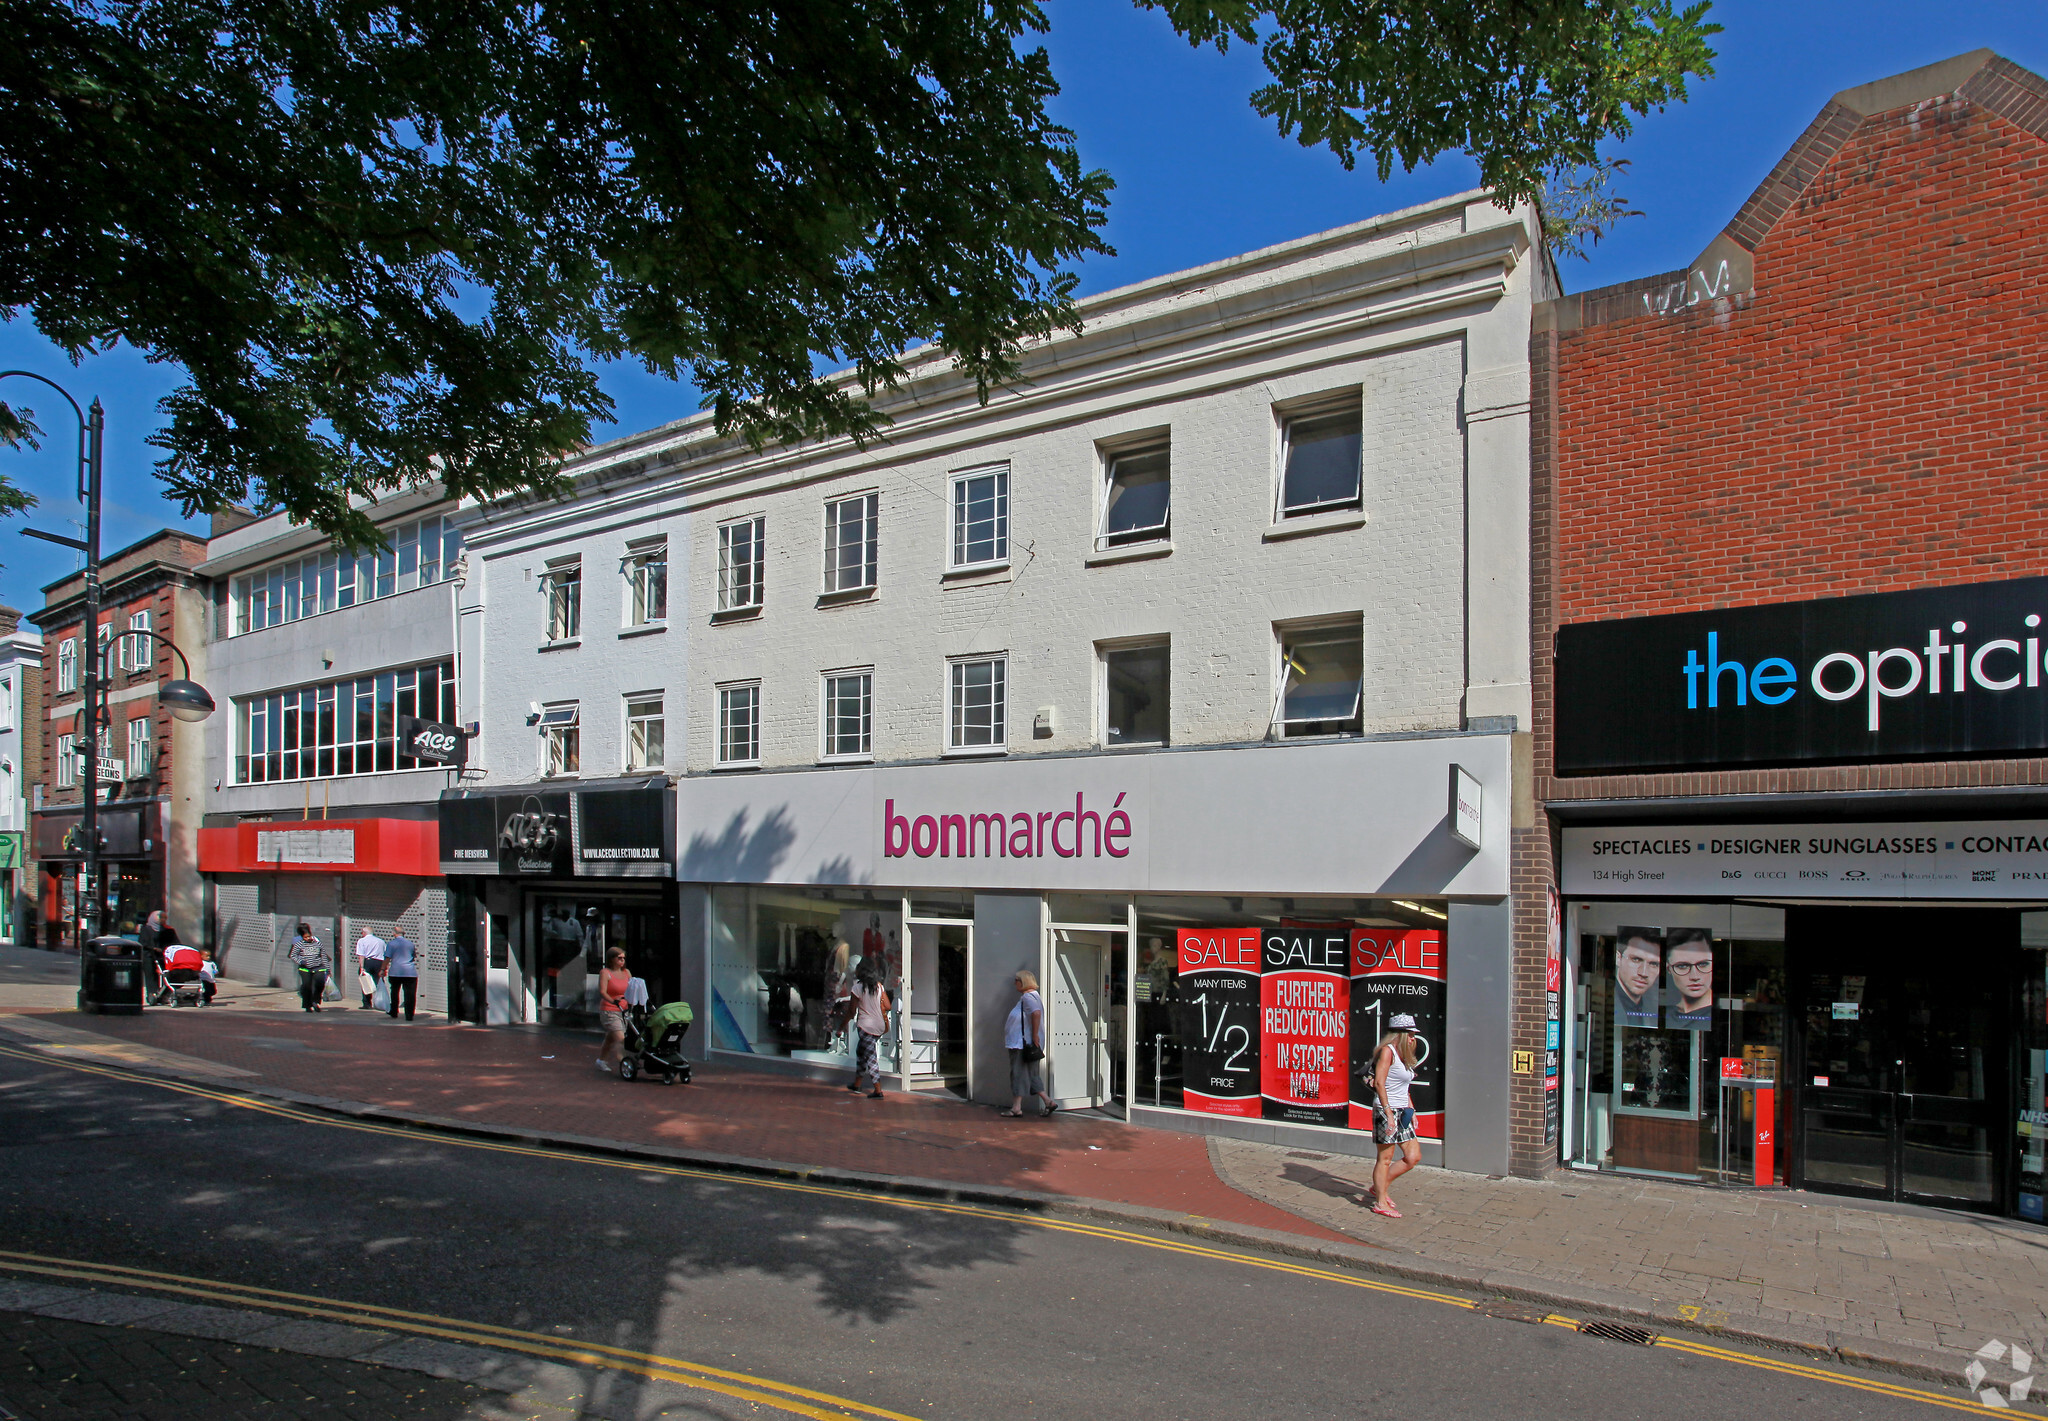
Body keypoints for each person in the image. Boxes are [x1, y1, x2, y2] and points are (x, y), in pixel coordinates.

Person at [1365, 1014, 1423, 1218]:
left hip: (1402, 1111)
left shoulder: (1403, 1055)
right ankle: (1380, 1201)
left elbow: (1404, 1088)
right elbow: (1380, 1083)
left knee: (1413, 1156)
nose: (1413, 1038)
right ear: (1399, 1035)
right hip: (1385, 1109)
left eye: (1414, 1034)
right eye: (1410, 1034)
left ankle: (1380, 1187)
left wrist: (1412, 1109)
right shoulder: (1387, 1052)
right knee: (1385, 1158)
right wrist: (1388, 1113)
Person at [1002, 969, 1058, 1118]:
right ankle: (1047, 1101)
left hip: (1022, 1044)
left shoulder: (1028, 997)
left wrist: (1034, 1035)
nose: (1014, 983)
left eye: (1016, 980)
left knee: (1018, 1073)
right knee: (1032, 1074)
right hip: (1027, 1044)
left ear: (1023, 982)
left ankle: (1016, 1107)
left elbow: (1036, 1013)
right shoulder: (1033, 997)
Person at [841, 955, 890, 1098]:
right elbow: (888, 1005)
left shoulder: (857, 988)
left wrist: (841, 1027)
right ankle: (857, 1084)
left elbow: (851, 1011)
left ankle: (878, 1090)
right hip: (879, 1025)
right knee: (861, 1052)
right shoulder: (879, 986)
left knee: (871, 1057)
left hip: (866, 1026)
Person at [1665, 929, 1714, 1028]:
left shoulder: (1717, 1014)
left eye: (1703, 964)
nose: (1694, 977)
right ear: (1669, 969)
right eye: (1682, 966)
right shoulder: (1667, 1013)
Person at [1613, 929, 1662, 1027]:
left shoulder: (1649, 1008)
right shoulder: (1611, 1002)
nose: (1643, 973)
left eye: (1653, 964)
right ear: (1618, 958)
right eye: (1636, 959)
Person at [595, 947, 630, 1073]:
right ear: (612, 959)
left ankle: (601, 1061)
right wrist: (613, 1000)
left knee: (611, 1036)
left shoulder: (626, 973)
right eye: (619, 958)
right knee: (620, 1039)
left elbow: (631, 988)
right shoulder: (605, 972)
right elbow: (602, 991)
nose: (622, 961)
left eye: (623, 958)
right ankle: (625, 1064)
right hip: (609, 1010)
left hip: (624, 1010)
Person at [289, 922, 328, 1012]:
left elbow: (323, 955)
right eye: (305, 937)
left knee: (319, 984)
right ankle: (308, 1005)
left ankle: (316, 1001)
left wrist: (327, 968)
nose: (308, 938)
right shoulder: (298, 943)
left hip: (318, 966)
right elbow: (293, 955)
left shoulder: (316, 941)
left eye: (309, 936)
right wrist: (301, 961)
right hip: (305, 968)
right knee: (307, 986)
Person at [383, 928, 419, 1021]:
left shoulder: (391, 944)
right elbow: (413, 956)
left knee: (394, 992)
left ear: (394, 933)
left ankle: (394, 1011)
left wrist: (383, 969)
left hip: (396, 971)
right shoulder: (410, 944)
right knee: (410, 994)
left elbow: (387, 958)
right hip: (410, 972)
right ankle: (409, 1015)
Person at [354, 926, 387, 1008]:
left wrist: (362, 967)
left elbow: (361, 955)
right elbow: (385, 954)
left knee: (366, 983)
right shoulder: (381, 941)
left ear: (364, 933)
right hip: (379, 962)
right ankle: (380, 1001)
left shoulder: (362, 941)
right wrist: (384, 967)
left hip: (367, 962)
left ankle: (367, 1003)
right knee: (378, 982)